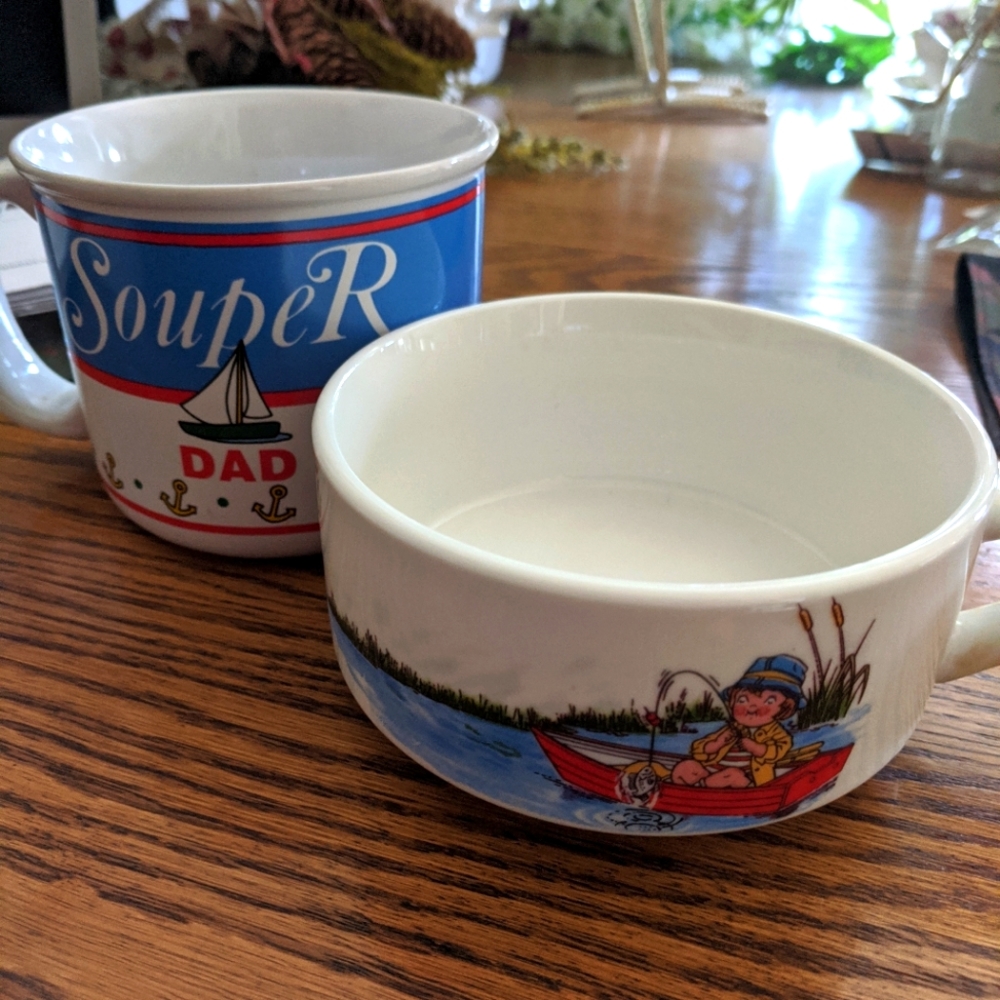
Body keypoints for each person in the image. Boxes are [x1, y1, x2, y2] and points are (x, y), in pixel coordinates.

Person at [670, 655, 808, 789]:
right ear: (732, 701)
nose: (752, 707)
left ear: (785, 708)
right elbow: (698, 750)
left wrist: (756, 748)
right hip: (711, 771)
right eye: (742, 700)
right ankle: (699, 787)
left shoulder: (777, 733)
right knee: (685, 767)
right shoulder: (733, 728)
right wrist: (717, 743)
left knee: (733, 775)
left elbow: (778, 751)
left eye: (769, 701)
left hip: (746, 780)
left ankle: (703, 788)